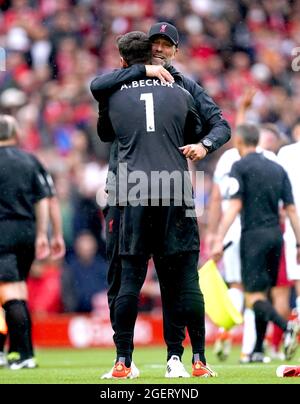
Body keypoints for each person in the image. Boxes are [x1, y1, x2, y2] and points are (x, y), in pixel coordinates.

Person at [90, 22, 230, 378]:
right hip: (155, 189)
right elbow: (198, 124)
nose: (160, 51)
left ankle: (160, 356)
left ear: (176, 51)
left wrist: (204, 146)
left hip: (132, 189)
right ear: (147, 49)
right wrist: (144, 72)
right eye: (155, 45)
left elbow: (218, 128)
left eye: (167, 46)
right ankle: (161, 357)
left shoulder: (174, 86)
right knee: (143, 278)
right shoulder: (171, 92)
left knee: (149, 278)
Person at [211, 123, 300, 362]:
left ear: (239, 142)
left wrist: (219, 237)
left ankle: (287, 326)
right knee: (265, 293)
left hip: (253, 237)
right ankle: (258, 350)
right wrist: (299, 244)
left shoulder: (240, 166)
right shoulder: (276, 168)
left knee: (253, 297)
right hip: (276, 237)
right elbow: (291, 209)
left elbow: (235, 206)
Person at [0, 115, 50, 369]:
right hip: (27, 232)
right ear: (15, 133)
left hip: (3, 232)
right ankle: (21, 352)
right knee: (17, 291)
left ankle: (23, 354)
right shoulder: (29, 160)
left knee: (11, 293)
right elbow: (43, 199)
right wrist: (42, 233)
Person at [278, 119, 300, 320]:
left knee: (296, 278)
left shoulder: (286, 153)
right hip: (292, 221)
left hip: (293, 224)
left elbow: (277, 186)